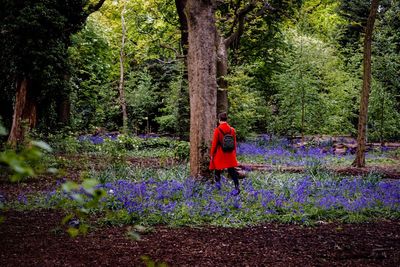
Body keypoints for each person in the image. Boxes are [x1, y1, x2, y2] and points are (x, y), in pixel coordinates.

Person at [209, 112, 240, 193]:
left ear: (219, 120)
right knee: (232, 171)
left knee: (217, 170)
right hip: (230, 153)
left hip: (220, 154)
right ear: (226, 120)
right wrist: (234, 154)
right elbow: (234, 143)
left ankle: (218, 188)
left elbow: (214, 144)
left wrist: (212, 154)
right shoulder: (232, 130)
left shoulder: (217, 130)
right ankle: (237, 187)